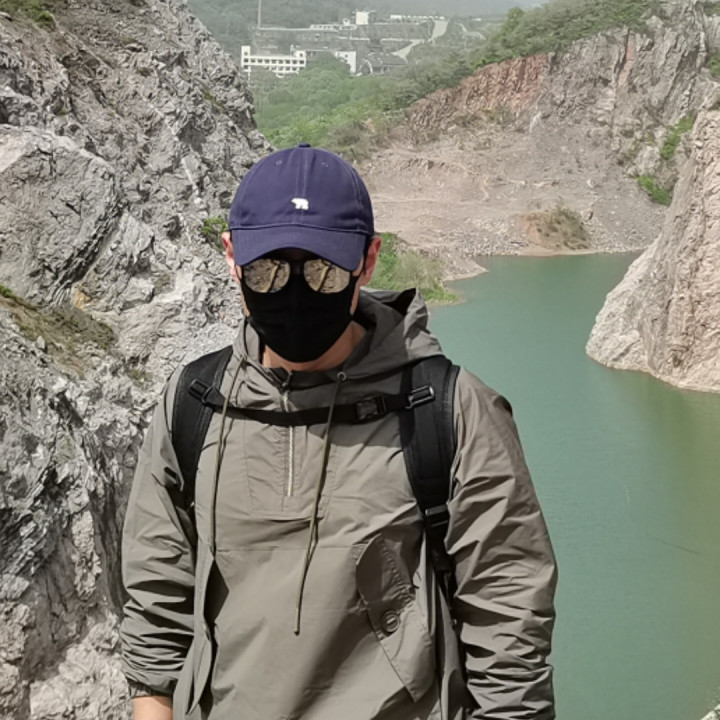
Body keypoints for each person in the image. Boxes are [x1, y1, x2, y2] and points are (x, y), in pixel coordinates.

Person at [120, 144, 557, 720]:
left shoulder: (449, 410)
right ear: (231, 257)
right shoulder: (193, 403)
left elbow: (508, 617)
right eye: (268, 271)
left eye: (323, 272)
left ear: (367, 260)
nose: (295, 294)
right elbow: (158, 595)